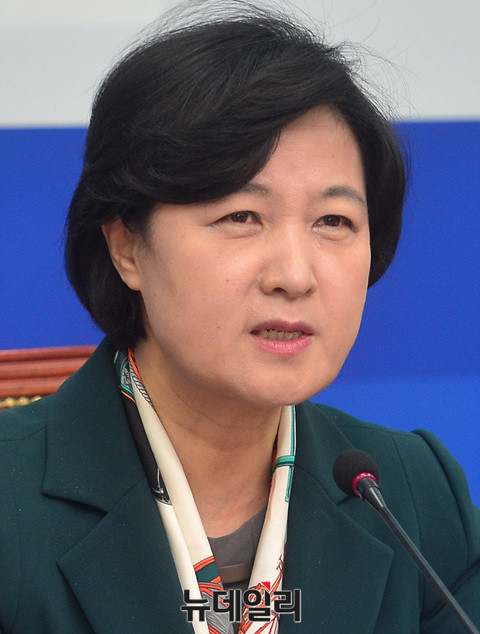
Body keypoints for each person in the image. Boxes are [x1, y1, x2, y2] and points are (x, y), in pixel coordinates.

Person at [1, 3, 479, 633]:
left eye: (333, 221)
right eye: (241, 217)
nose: (295, 275)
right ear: (127, 247)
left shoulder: (412, 494)